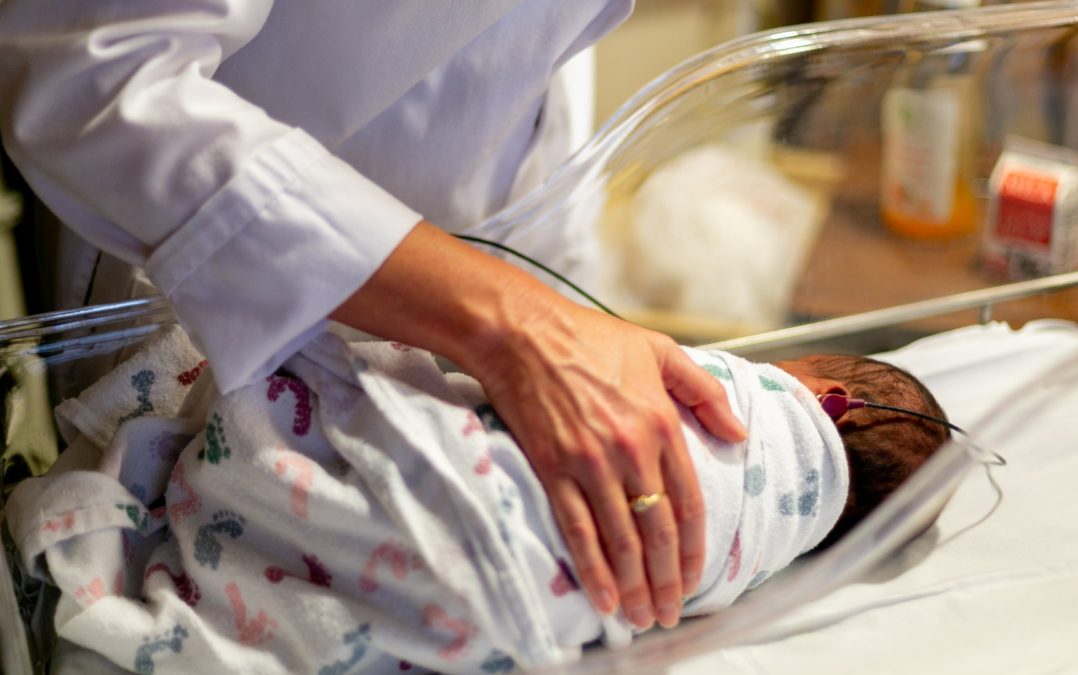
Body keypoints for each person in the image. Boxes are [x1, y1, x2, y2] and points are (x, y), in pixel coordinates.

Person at [0, 0, 750, 635]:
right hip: (217, 272)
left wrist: (561, 307)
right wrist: (515, 324)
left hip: (502, 259)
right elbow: (93, 76)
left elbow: (524, 56)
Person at [5, 326, 950, 673]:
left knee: (304, 369)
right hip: (500, 607)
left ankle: (194, 499)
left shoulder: (754, 404)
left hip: (453, 493)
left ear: (829, 397)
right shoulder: (760, 556)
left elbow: (593, 379)